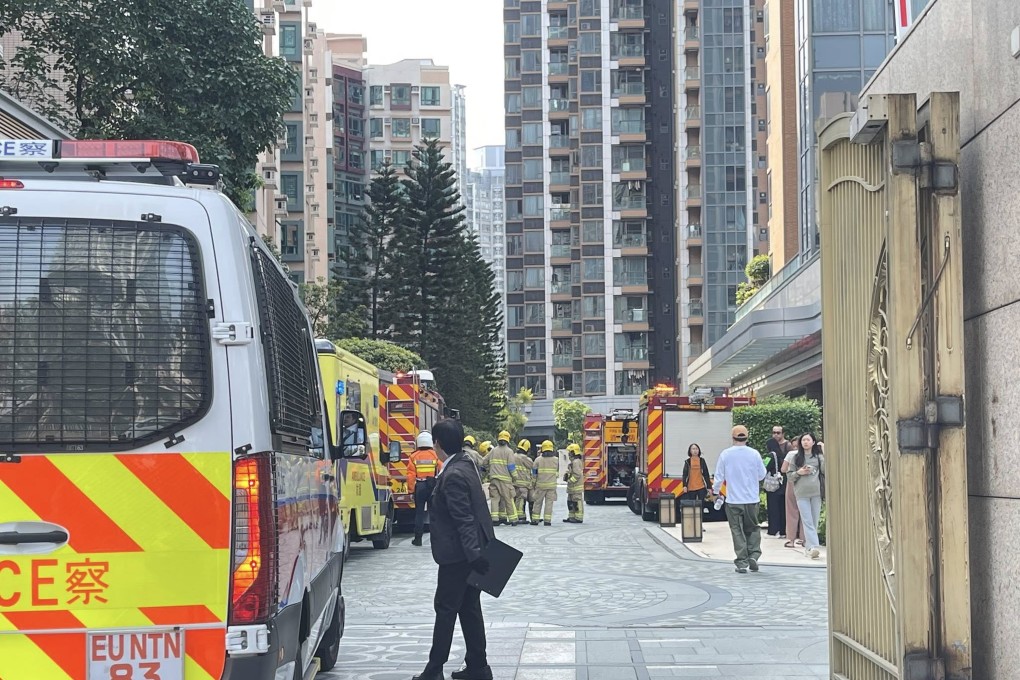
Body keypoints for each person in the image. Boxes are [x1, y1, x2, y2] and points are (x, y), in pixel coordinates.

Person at [413, 418, 494, 680]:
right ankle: (478, 667)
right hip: (471, 553)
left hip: (459, 557)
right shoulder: (465, 464)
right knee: (469, 608)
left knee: (446, 609)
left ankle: (434, 669)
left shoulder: (454, 473)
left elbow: (464, 519)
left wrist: (473, 555)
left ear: (437, 444)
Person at [712, 425, 767, 574]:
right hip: (752, 499)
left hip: (733, 500)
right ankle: (754, 554)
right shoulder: (754, 454)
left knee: (737, 530)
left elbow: (719, 477)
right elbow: (762, 474)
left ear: (733, 437)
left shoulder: (726, 454)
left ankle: (742, 562)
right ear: (747, 437)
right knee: (753, 527)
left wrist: (716, 492)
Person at [784, 432, 824, 560]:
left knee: (814, 519)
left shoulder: (818, 457)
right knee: (807, 520)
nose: (805, 442)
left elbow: (825, 471)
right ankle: (813, 547)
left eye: (808, 440)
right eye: (803, 440)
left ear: (813, 442)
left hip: (816, 493)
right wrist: (799, 472)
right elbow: (789, 476)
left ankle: (809, 547)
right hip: (801, 493)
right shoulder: (796, 458)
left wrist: (823, 452)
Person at [408, 432, 441, 547]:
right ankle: (436, 538)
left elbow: (411, 476)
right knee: (434, 513)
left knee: (419, 513)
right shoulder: (435, 455)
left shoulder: (413, 456)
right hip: (433, 486)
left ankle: (418, 539)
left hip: (420, 486)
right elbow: (441, 470)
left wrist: (411, 490)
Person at [482, 431, 518, 526]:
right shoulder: (509, 451)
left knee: (494, 499)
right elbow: (511, 467)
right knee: (508, 499)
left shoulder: (493, 450)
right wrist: (515, 477)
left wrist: (490, 469)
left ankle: (494, 519)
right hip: (505, 480)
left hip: (493, 479)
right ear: (507, 440)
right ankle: (513, 519)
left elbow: (484, 461)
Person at [764, 426, 791, 537]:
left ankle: (773, 530)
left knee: (773, 508)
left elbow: (763, 467)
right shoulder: (783, 455)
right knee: (782, 508)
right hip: (783, 483)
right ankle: (783, 530)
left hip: (773, 485)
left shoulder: (770, 455)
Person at [531, 440, 558, 526]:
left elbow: (534, 473)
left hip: (540, 485)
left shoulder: (538, 460)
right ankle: (547, 521)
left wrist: (533, 483)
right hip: (551, 486)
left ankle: (535, 520)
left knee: (537, 502)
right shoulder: (556, 460)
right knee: (549, 503)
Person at [512, 439, 534, 523]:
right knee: (521, 499)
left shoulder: (513, 456)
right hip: (523, 483)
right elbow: (533, 466)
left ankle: (518, 516)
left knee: (516, 499)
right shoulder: (526, 459)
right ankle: (521, 517)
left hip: (514, 482)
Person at [563, 443, 584, 523]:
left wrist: (570, 481)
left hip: (576, 487)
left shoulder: (576, 462)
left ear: (573, 452)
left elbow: (577, 474)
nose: (569, 454)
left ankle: (578, 518)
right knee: (570, 502)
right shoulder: (574, 462)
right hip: (572, 487)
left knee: (576, 502)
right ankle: (571, 517)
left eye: (570, 452)